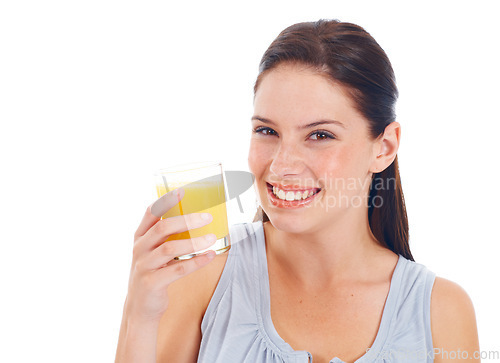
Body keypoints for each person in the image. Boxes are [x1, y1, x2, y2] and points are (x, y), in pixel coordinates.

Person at [115, 19, 480, 363]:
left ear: (383, 147)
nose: (281, 165)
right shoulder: (200, 276)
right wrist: (139, 316)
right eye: (267, 131)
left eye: (320, 135)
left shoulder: (441, 313)